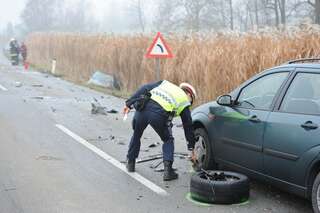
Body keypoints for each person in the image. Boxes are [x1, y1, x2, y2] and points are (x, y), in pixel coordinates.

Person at [123, 80, 197, 181]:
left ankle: (130, 163)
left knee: (136, 134)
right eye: (191, 100)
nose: (190, 103)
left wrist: (129, 103)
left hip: (143, 108)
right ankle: (168, 171)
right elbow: (188, 126)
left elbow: (144, 88)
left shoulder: (165, 84)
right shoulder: (184, 100)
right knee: (168, 140)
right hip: (159, 115)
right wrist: (191, 149)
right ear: (189, 94)